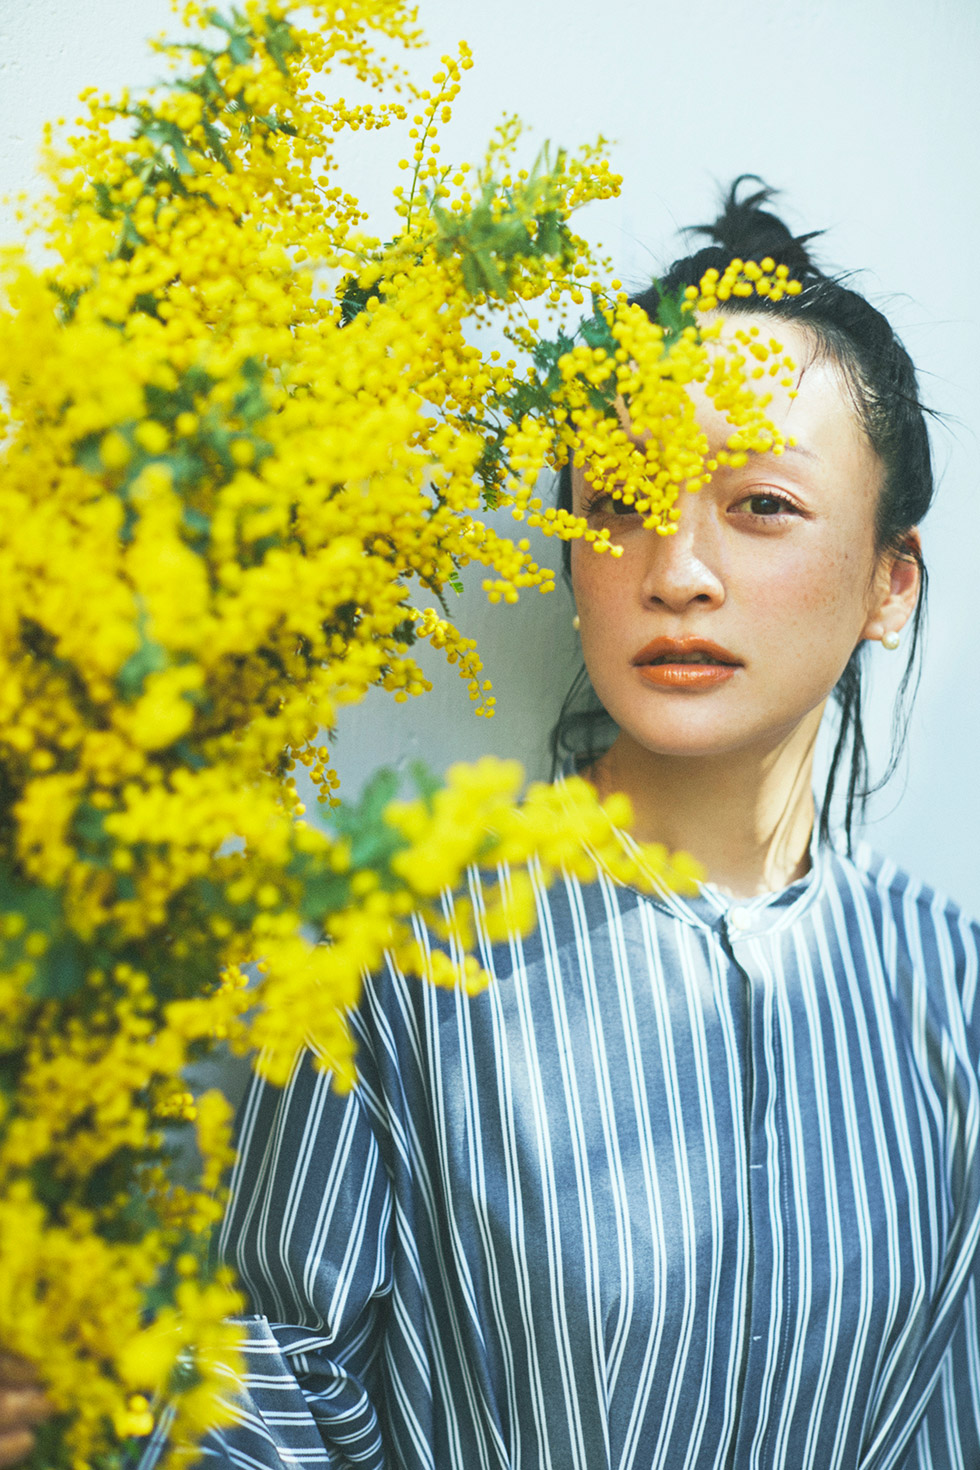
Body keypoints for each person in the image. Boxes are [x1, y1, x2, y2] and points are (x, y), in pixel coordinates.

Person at [149, 180, 980, 1470]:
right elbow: (265, 1397)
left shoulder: (951, 989)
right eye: (621, 503)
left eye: (761, 505)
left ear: (891, 581)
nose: (677, 571)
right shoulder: (396, 947)